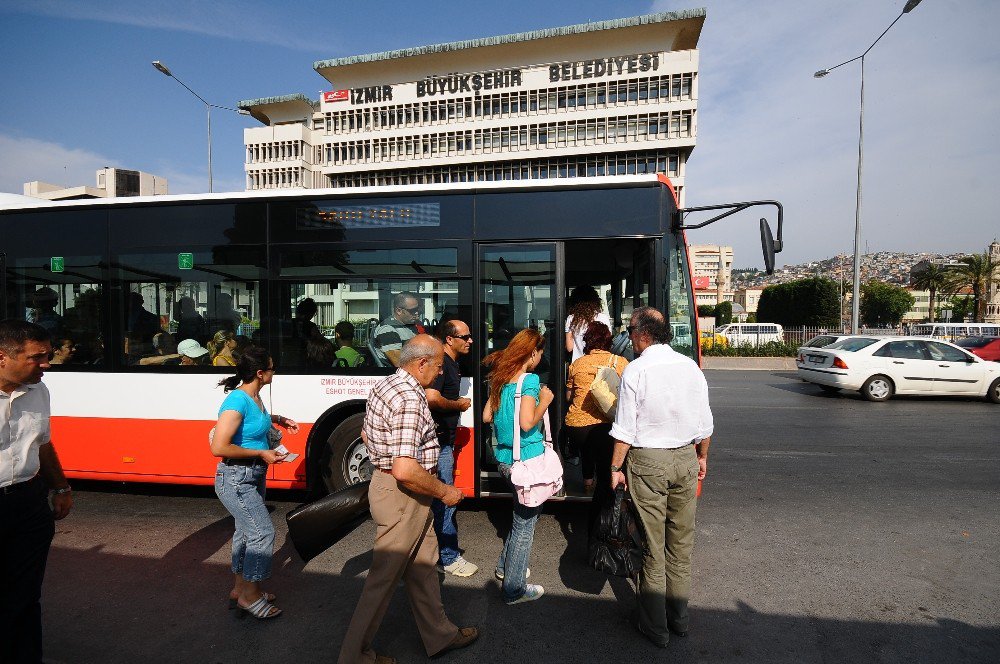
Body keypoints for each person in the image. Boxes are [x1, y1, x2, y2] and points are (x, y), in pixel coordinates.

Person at [338, 335, 479, 664]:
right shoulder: (411, 400)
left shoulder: (387, 385)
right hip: (404, 496)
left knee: (423, 567)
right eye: (439, 366)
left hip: (396, 491)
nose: (441, 374)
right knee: (383, 580)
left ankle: (440, 635)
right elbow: (404, 469)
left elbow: (365, 433)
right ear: (422, 364)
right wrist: (445, 491)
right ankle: (354, 655)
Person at [609, 307, 713, 647]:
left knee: (653, 548)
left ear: (641, 335)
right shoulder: (691, 368)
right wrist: (702, 458)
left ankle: (656, 628)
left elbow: (624, 430)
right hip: (685, 457)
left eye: (630, 331)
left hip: (648, 462)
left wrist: (614, 469)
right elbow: (705, 424)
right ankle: (679, 620)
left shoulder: (636, 370)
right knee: (681, 546)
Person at [0, 320, 73, 663]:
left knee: (25, 595)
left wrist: (60, 485)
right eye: (36, 357)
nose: (47, 364)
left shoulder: (39, 391)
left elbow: (43, 444)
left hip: (28, 502)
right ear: (2, 357)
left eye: (48, 354)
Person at [209, 345, 298, 620]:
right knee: (262, 533)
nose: (274, 372)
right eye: (272, 368)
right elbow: (218, 447)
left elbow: (253, 421)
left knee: (246, 533)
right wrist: (261, 452)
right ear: (260, 373)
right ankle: (250, 596)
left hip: (251, 475)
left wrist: (279, 419)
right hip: (236, 479)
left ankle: (240, 589)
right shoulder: (237, 401)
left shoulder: (254, 397)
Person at [482, 328, 553, 604]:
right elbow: (527, 423)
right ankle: (514, 589)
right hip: (527, 461)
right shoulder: (530, 380)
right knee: (526, 523)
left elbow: (488, 415)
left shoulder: (501, 380)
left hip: (504, 460)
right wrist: (545, 401)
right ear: (532, 353)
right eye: (540, 353)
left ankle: (505, 567)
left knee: (521, 516)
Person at [425, 319, 476, 577]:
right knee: (446, 497)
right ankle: (448, 556)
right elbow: (432, 398)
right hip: (438, 442)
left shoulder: (451, 362)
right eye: (465, 337)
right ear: (449, 339)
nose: (470, 341)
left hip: (443, 439)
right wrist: (458, 405)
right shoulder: (441, 363)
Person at [565, 321, 627, 509]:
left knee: (587, 449)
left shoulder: (577, 364)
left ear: (587, 341)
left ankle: (587, 482)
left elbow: (569, 396)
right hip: (606, 426)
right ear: (609, 341)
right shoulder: (620, 362)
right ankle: (605, 497)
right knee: (605, 457)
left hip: (576, 427)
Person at [371, 291, 424, 367]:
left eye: (417, 309)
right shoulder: (387, 329)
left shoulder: (409, 326)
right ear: (399, 311)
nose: (416, 313)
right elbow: (400, 363)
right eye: (412, 310)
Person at [565, 285, 612, 364]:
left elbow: (569, 348)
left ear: (574, 302)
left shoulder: (571, 319)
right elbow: (608, 344)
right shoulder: (603, 318)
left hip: (579, 365)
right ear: (596, 301)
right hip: (600, 364)